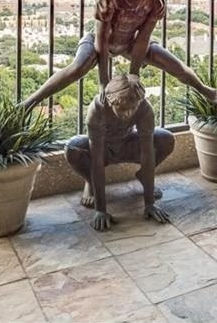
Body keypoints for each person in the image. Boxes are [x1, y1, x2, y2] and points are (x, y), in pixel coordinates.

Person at [19, 0, 217, 112]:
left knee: (173, 64)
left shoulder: (155, 1)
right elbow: (102, 41)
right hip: (98, 43)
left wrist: (134, 77)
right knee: (77, 69)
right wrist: (104, 85)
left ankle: (205, 91)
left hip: (129, 44)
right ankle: (29, 103)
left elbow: (143, 40)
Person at [65, 73, 173, 229]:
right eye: (122, 109)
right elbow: (96, 160)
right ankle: (91, 183)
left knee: (166, 138)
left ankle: (143, 176)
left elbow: (147, 152)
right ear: (110, 102)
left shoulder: (143, 107)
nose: (128, 113)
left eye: (132, 108)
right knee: (72, 148)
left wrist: (150, 203)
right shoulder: (97, 109)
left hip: (127, 144)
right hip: (103, 148)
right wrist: (100, 210)